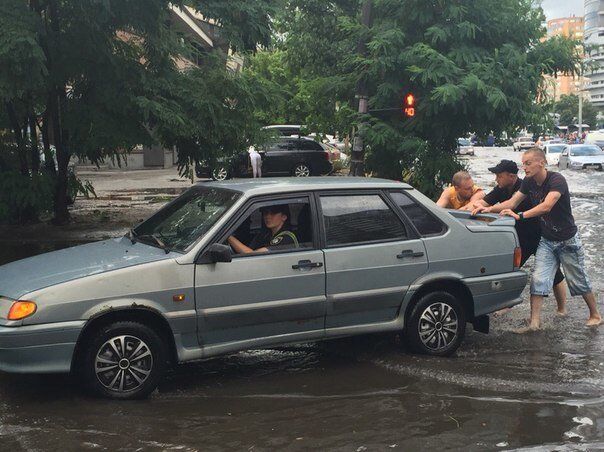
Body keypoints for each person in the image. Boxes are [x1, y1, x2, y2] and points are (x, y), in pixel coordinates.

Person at [473, 149, 601, 331]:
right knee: (538, 279)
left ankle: (595, 315)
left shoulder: (557, 180)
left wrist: (520, 216)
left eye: (528, 163)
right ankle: (534, 324)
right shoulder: (528, 182)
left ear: (541, 162)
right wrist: (487, 210)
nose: (523, 167)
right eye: (523, 163)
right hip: (547, 240)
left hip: (567, 239)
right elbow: (512, 203)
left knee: (578, 279)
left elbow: (547, 206)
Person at [472, 159, 567, 314]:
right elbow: (483, 202)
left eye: (499, 176)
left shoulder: (525, 187)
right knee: (509, 270)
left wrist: (489, 209)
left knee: (555, 274)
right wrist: (472, 206)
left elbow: (513, 205)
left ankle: (562, 309)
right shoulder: (501, 188)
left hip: (537, 236)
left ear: (511, 176)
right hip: (518, 238)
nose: (496, 179)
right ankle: (506, 304)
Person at [228, 204, 299, 254]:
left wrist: (228, 236)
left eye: (273, 213)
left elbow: (251, 255)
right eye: (266, 213)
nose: (268, 216)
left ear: (284, 217)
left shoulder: (286, 238)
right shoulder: (266, 235)